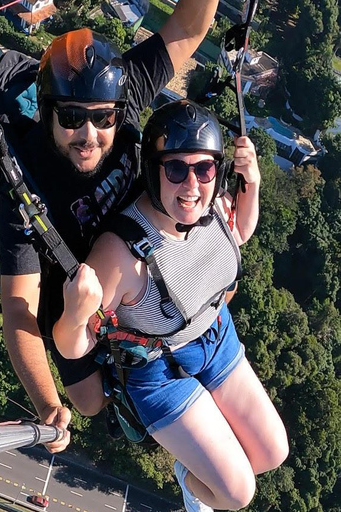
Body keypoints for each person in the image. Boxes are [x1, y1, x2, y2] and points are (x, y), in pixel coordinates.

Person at [0, 0, 221, 452]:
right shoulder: (25, 182)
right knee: (90, 401)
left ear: (118, 108)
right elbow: (18, 307)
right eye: (73, 118)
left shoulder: (126, 87)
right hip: (77, 296)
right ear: (47, 112)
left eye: (103, 118)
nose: (90, 134)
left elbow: (190, 28)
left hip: (141, 261)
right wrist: (45, 402)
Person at [53, 100, 288, 510]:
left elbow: (240, 234)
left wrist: (252, 184)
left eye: (204, 169)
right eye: (176, 169)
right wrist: (75, 313)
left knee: (272, 453)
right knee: (236, 494)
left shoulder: (213, 206)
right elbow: (73, 346)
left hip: (213, 334)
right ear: (153, 169)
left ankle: (201, 457)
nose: (192, 185)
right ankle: (191, 480)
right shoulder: (121, 254)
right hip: (157, 368)